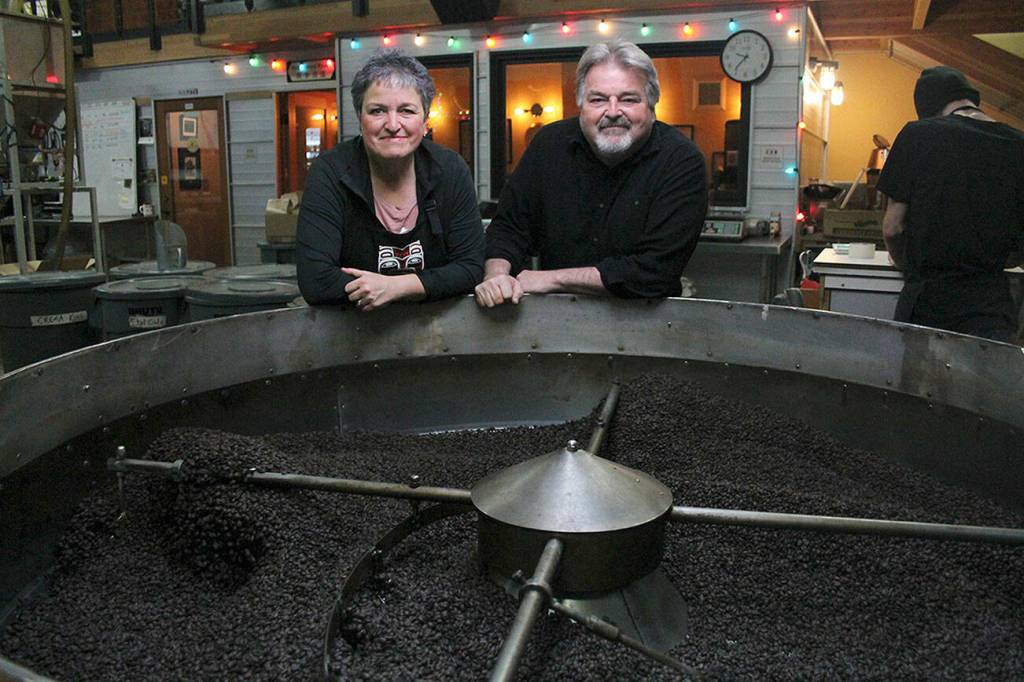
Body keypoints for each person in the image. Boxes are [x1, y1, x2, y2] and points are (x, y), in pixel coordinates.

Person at [475, 39, 707, 308]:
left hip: (646, 325)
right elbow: (509, 228)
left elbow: (654, 273)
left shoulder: (681, 161)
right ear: (580, 105)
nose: (612, 112)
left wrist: (549, 279)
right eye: (598, 99)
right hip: (554, 321)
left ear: (652, 105)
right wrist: (497, 276)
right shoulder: (549, 144)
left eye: (628, 99)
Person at [297, 49, 484, 310]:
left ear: (425, 121)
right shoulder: (330, 172)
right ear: (359, 118)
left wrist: (397, 287)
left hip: (438, 335)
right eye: (377, 111)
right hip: (354, 338)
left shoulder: (450, 169)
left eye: (407, 111)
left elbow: (471, 267)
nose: (393, 124)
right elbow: (316, 281)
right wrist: (431, 283)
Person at [877, 66, 1024, 342]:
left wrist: (903, 261)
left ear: (929, 108)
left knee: (918, 385)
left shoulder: (918, 134)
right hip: (991, 308)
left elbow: (892, 228)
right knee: (981, 385)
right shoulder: (1018, 144)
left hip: (927, 303)